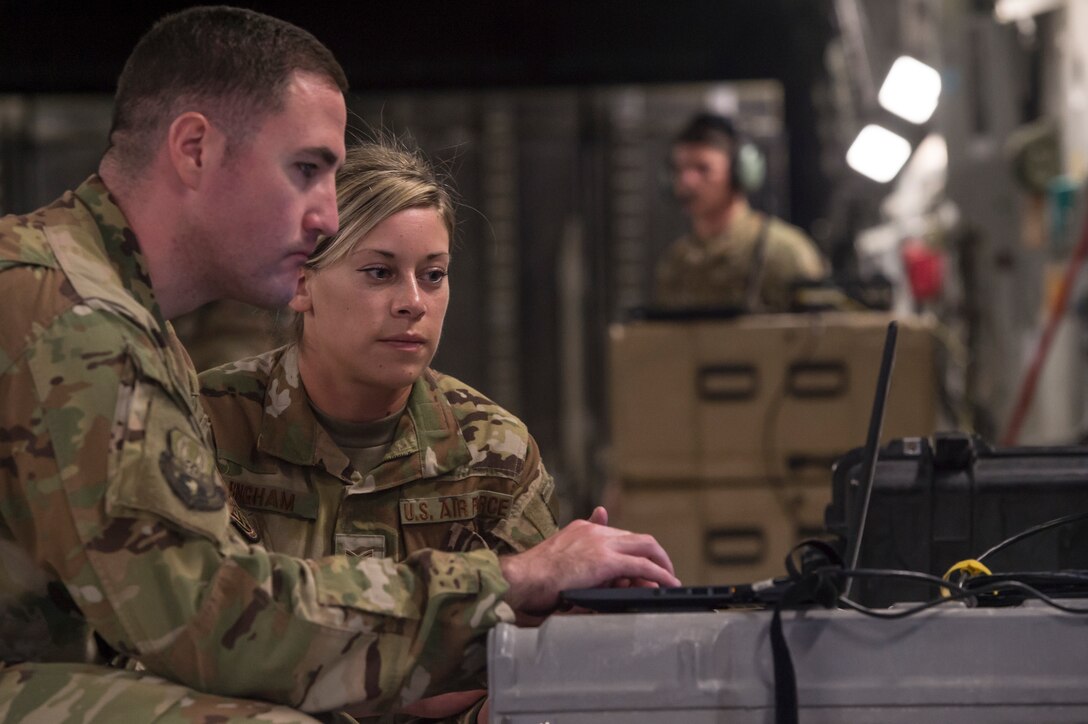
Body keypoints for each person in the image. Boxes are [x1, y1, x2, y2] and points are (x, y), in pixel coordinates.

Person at [0, 7, 679, 723]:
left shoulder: (107, 306)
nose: (326, 216)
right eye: (305, 170)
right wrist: (510, 581)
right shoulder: (77, 318)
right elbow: (208, 622)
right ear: (194, 149)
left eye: (435, 274)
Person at [198, 140, 558, 721]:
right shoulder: (210, 425)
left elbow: (527, 670)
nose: (413, 302)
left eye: (434, 275)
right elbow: (178, 643)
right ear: (302, 283)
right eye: (379, 272)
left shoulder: (494, 452)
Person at [653, 112, 827, 312]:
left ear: (740, 173)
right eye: (679, 170)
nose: (687, 181)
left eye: (703, 169)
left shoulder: (783, 252)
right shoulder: (677, 263)